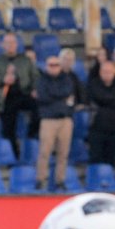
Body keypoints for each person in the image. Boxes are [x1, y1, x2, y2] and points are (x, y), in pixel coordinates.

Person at [0, 33, 38, 162]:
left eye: (13, 42)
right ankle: (13, 156)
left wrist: (35, 88)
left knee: (40, 110)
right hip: (5, 97)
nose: (10, 45)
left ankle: (30, 135)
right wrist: (3, 79)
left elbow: (36, 76)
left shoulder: (25, 60)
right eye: (8, 43)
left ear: (17, 44)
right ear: (3, 45)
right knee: (8, 128)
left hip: (24, 94)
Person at [34, 53, 78, 192]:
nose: (54, 68)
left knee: (63, 153)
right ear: (46, 66)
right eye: (51, 65)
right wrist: (60, 97)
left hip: (65, 120)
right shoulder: (41, 80)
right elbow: (43, 96)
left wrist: (55, 96)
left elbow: (67, 92)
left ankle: (60, 180)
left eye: (56, 65)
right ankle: (41, 179)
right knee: (44, 152)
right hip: (48, 120)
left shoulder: (67, 79)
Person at [83, 57, 115, 168]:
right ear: (100, 72)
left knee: (111, 160)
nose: (107, 74)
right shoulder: (94, 83)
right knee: (95, 160)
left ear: (114, 72)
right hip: (97, 128)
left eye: (109, 72)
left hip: (114, 129)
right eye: (104, 72)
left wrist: (110, 100)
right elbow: (99, 97)